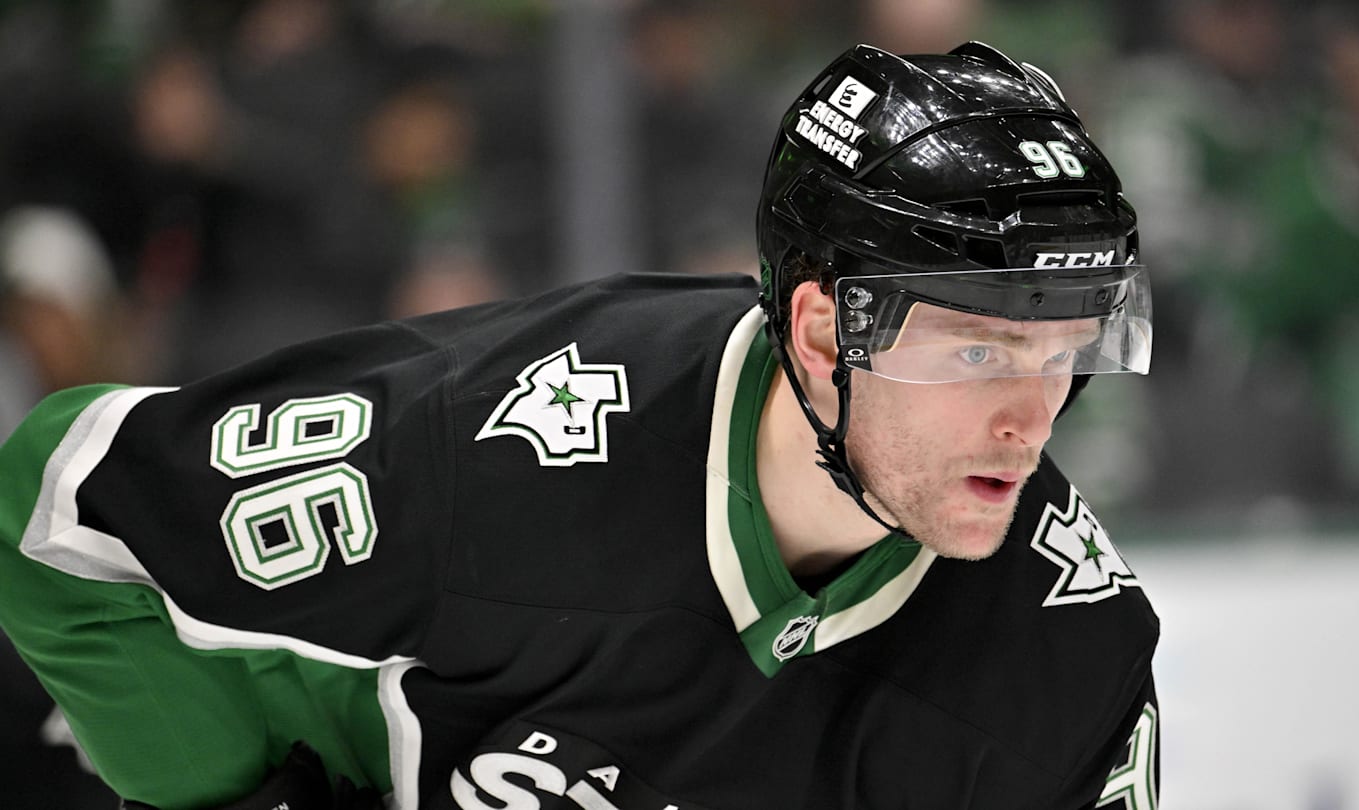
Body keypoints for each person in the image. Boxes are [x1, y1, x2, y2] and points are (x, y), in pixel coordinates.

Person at [0, 42, 1159, 809]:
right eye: (975, 350)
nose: (1031, 419)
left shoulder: (1070, 666)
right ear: (821, 334)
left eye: (1067, 351)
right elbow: (59, 510)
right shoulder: (496, 447)